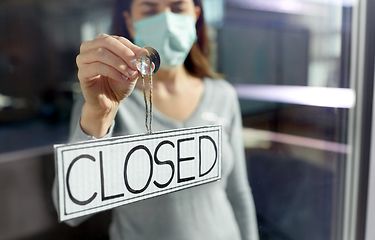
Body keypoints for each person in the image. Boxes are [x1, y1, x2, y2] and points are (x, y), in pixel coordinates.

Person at [53, 0, 259, 239]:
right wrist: (100, 114)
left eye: (178, 8)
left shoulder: (223, 95)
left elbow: (239, 193)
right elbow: (71, 212)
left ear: (196, 15)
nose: (167, 21)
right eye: (150, 10)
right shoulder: (104, 98)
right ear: (129, 22)